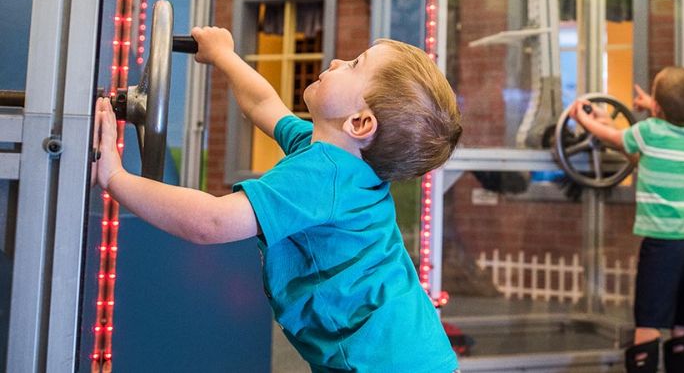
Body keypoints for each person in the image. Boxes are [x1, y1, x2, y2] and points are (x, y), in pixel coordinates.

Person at [93, 28, 463, 373]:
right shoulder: (326, 152)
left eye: (353, 65)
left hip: (386, 362)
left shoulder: (324, 176)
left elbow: (212, 222)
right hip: (410, 355)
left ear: (360, 124)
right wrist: (224, 55)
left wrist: (114, 177)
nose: (335, 62)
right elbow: (262, 104)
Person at [572, 66, 684, 373]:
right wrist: (654, 105)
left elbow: (614, 137)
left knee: (648, 321)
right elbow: (679, 117)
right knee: (682, 322)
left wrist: (583, 119)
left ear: (658, 108)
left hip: (662, 246)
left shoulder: (649, 133)